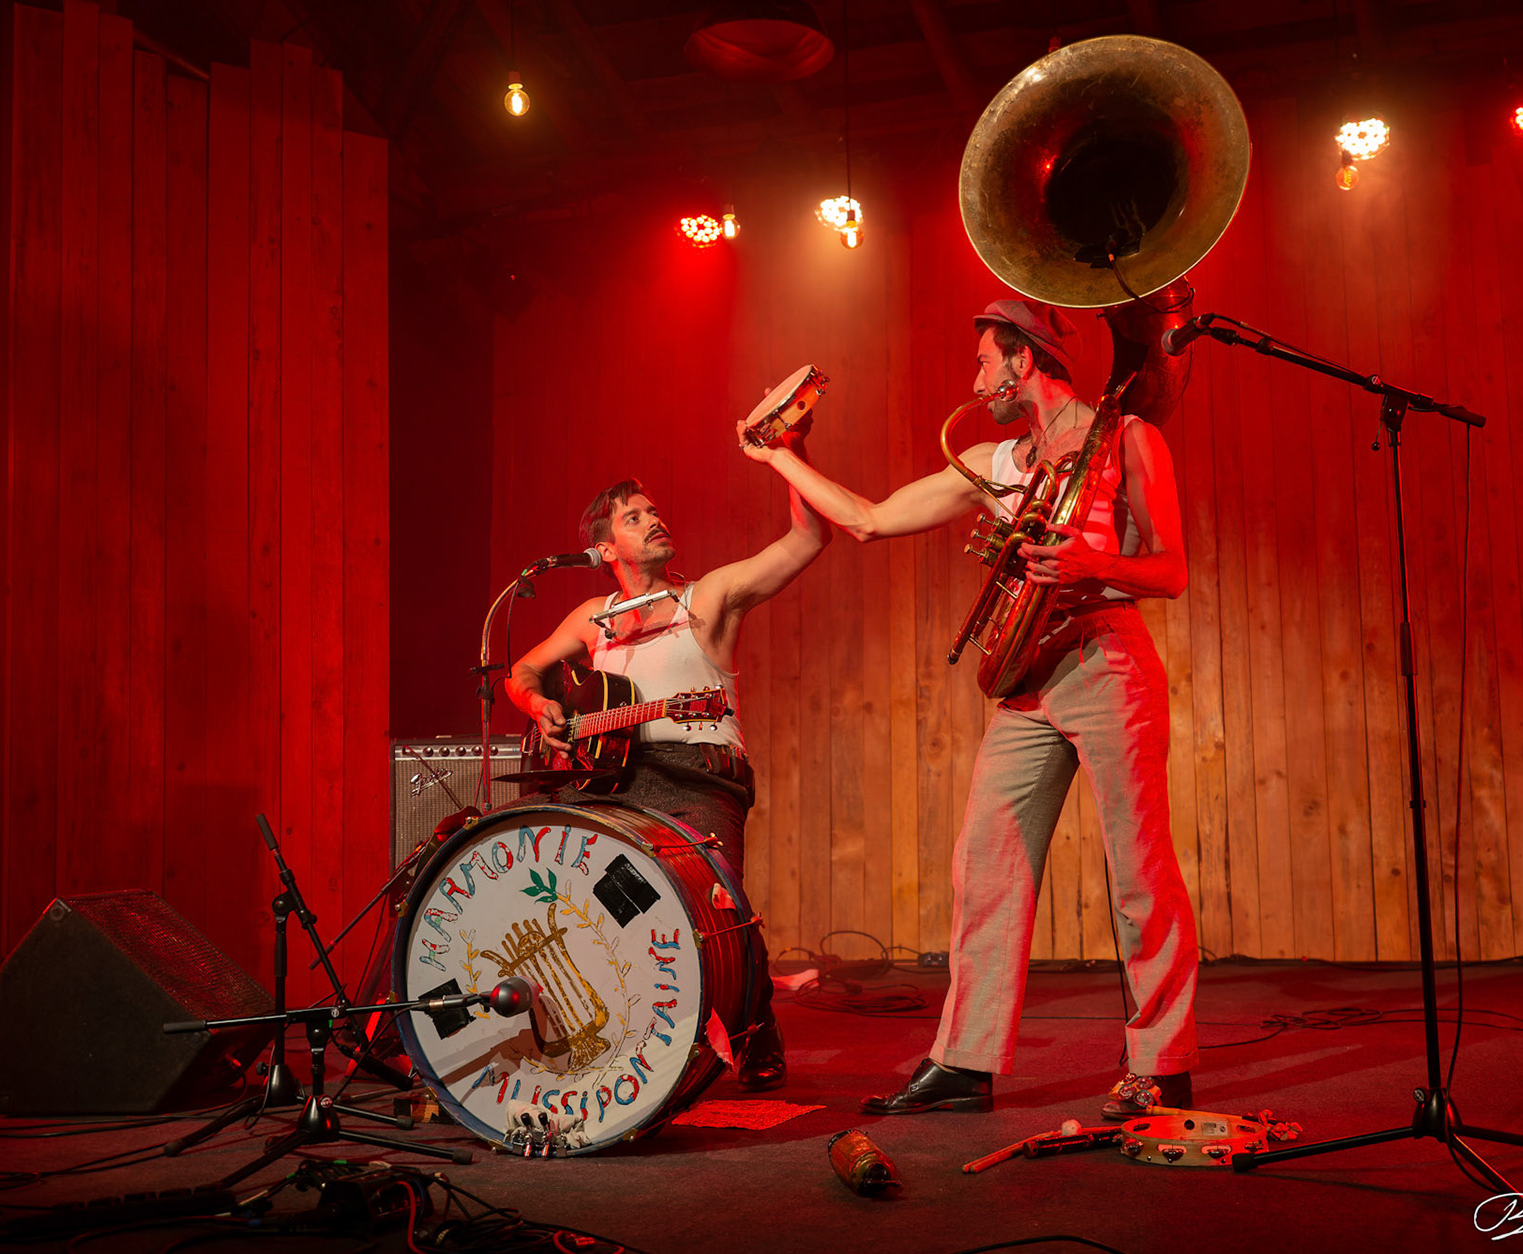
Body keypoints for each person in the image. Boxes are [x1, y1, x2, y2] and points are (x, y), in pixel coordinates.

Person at [738, 298, 1199, 1119]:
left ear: (1023, 360)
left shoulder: (1126, 437)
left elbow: (1170, 571)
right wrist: (782, 458)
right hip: (1026, 674)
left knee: (1139, 871)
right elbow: (871, 522)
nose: (976, 377)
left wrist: (1094, 558)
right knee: (985, 865)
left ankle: (1162, 1062)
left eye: (985, 360)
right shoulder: (991, 460)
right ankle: (964, 1062)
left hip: (1104, 655)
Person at [506, 467, 828, 1090]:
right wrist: (537, 706)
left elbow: (809, 537)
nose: (655, 520)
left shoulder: (706, 597)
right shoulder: (592, 618)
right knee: (544, 865)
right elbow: (522, 669)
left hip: (699, 776)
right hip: (613, 779)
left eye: (654, 511)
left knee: (714, 910)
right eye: (635, 517)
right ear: (605, 550)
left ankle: (753, 1020)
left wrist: (790, 453)